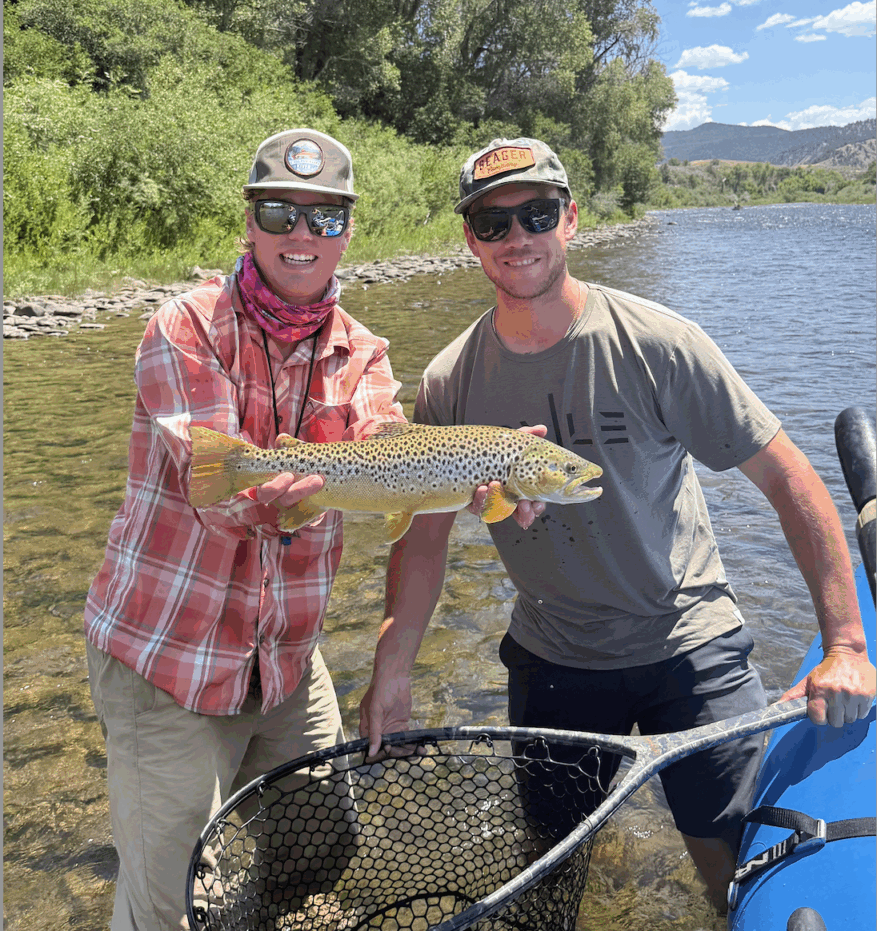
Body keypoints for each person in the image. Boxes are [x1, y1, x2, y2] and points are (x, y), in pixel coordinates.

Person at [359, 136, 877, 911]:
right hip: (554, 658)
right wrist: (392, 670)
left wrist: (843, 645)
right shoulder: (449, 380)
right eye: (492, 224)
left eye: (534, 214)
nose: (516, 238)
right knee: (552, 867)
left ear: (568, 219)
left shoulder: (657, 342)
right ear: (470, 240)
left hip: (690, 648)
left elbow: (789, 482)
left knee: (730, 870)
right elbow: (423, 542)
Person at [84, 128, 414, 931]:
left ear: (347, 232)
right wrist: (300, 486)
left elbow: (383, 438)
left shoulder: (362, 350)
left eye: (325, 219)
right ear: (250, 221)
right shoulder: (185, 326)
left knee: (316, 849)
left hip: (286, 659)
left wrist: (470, 472)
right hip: (169, 658)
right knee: (168, 905)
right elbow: (220, 492)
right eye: (281, 212)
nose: (302, 235)